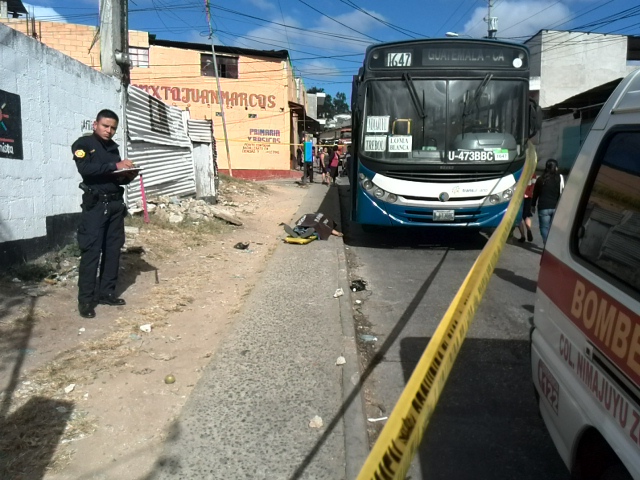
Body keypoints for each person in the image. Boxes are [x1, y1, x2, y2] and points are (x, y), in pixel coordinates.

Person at [72, 109, 139, 318]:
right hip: (95, 207)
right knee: (91, 252)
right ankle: (86, 301)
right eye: (105, 126)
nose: (109, 131)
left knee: (113, 250)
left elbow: (113, 177)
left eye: (113, 128)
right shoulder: (83, 146)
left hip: (115, 205)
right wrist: (115, 165)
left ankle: (106, 293)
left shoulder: (113, 148)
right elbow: (87, 170)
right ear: (95, 125)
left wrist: (127, 175)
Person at [531, 159, 564, 245]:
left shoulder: (540, 179)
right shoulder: (559, 178)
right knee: (554, 228)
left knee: (544, 228)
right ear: (556, 168)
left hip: (543, 207)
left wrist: (532, 205)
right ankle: (553, 245)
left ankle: (547, 244)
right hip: (556, 207)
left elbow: (535, 194)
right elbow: (562, 192)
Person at [516, 173, 536, 243]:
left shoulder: (521, 170)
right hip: (528, 196)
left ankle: (522, 236)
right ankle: (529, 229)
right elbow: (533, 185)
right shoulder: (533, 173)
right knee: (527, 215)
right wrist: (529, 193)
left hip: (519, 196)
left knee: (519, 216)